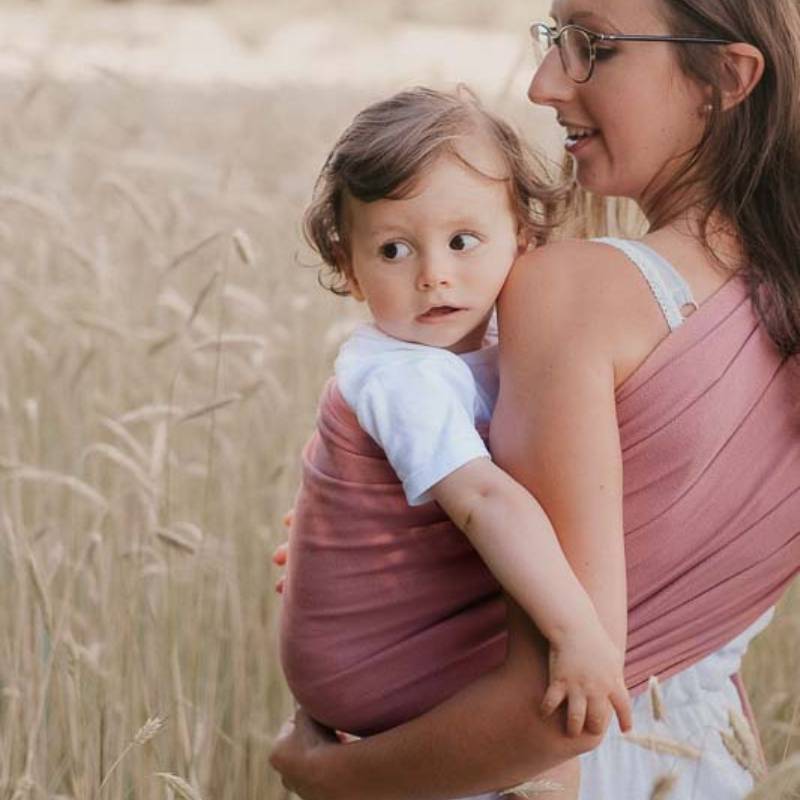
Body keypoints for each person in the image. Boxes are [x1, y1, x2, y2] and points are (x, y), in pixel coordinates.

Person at [270, 0, 800, 797]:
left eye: (592, 46)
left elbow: (552, 717)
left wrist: (326, 775)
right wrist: (386, 551)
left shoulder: (574, 293)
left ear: (725, 77)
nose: (546, 82)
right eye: (554, 39)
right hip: (704, 766)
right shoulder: (782, 303)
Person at [279, 86, 631, 800]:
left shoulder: (507, 341)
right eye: (394, 249)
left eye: (463, 241)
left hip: (396, 647)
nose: (434, 273)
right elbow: (484, 501)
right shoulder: (401, 375)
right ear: (351, 270)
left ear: (522, 240)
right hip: (376, 668)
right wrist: (578, 633)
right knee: (539, 738)